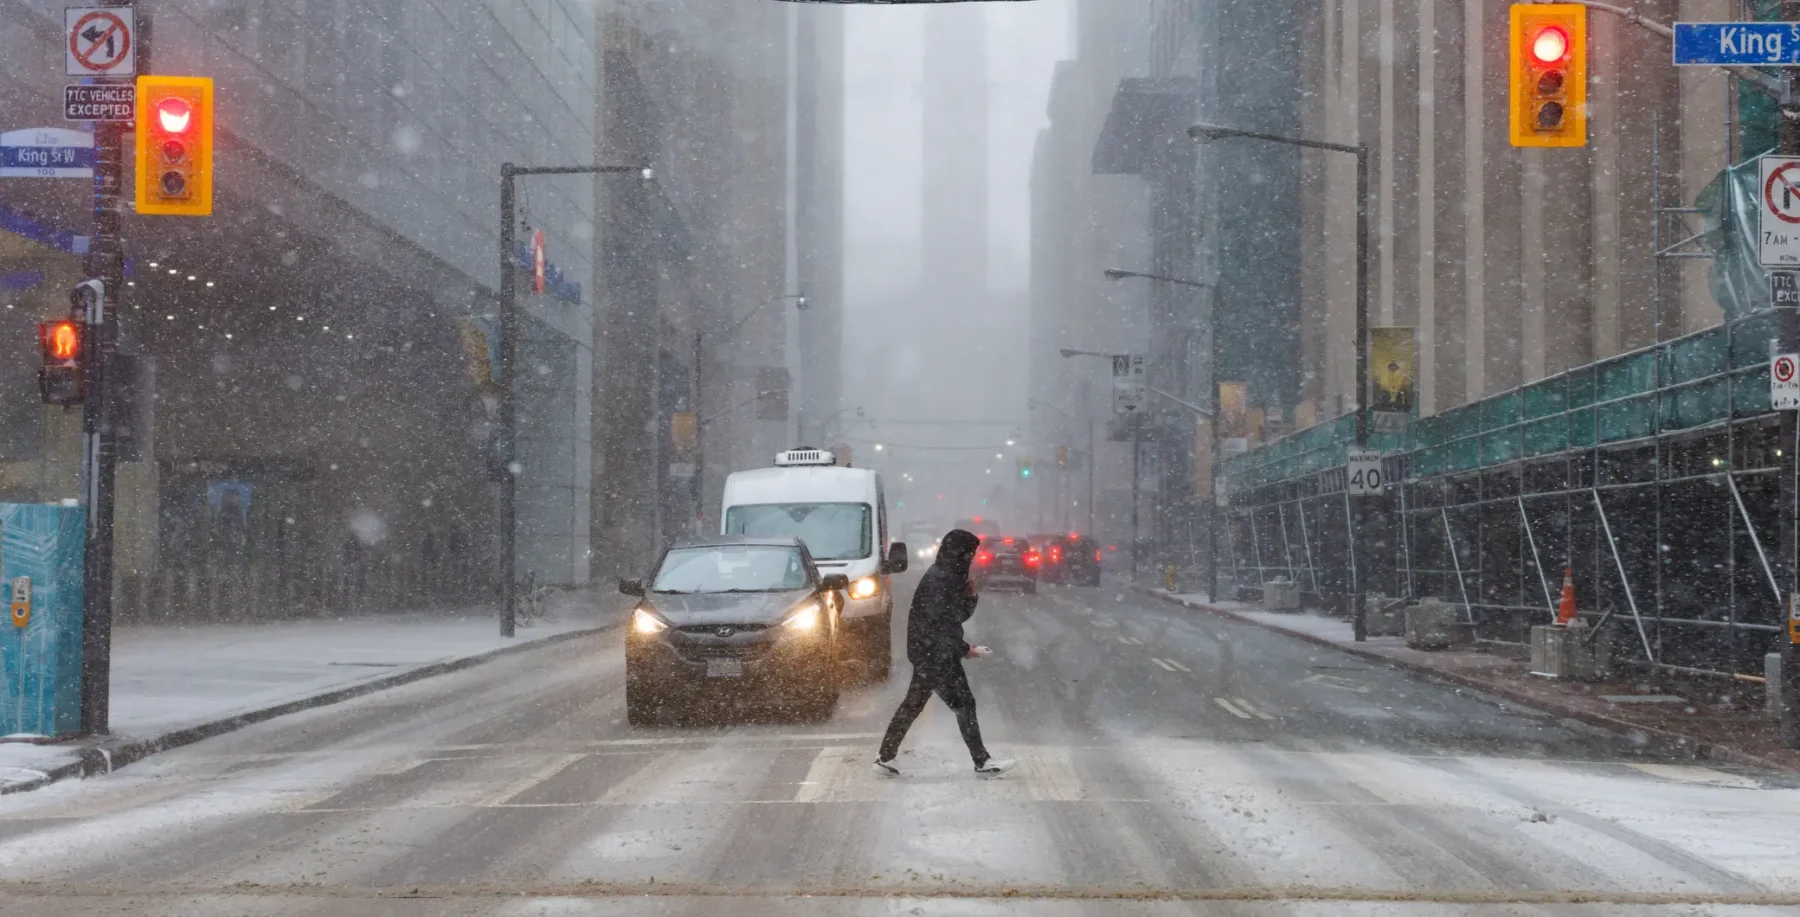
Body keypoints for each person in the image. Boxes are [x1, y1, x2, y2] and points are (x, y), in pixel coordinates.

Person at [874, 528, 1014, 778]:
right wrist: (964, 649)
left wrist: (970, 597)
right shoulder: (943, 578)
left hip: (928, 651)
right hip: (934, 654)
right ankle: (982, 762)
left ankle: (885, 757)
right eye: (969, 553)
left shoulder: (945, 575)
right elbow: (940, 624)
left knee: (914, 705)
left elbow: (954, 616)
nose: (971, 558)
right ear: (959, 552)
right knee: (963, 703)